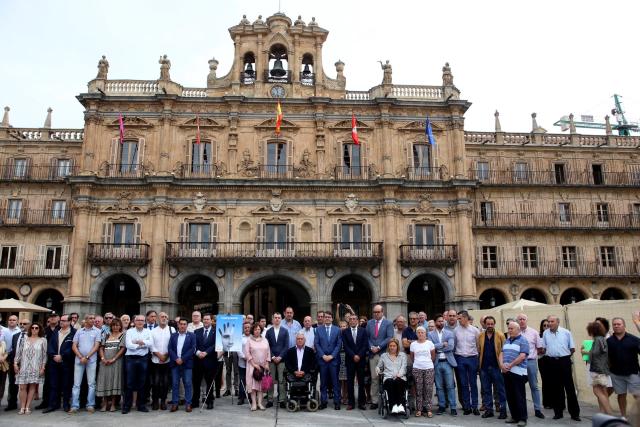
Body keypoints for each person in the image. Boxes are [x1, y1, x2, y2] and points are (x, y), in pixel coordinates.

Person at [541, 315, 580, 421]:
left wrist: (564, 356)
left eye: (552, 321)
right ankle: (558, 412)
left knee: (569, 388)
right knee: (555, 388)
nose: (549, 323)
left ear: (558, 322)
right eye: (548, 321)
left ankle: (575, 414)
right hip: (551, 362)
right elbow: (544, 348)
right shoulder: (545, 333)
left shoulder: (566, 332)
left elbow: (572, 348)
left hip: (564, 361)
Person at [607, 317, 640, 418]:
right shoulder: (609, 341)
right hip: (616, 374)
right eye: (614, 324)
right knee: (621, 395)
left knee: (637, 396)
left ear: (624, 326)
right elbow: (605, 357)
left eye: (619, 324)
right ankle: (623, 416)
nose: (616, 326)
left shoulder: (634, 340)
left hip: (632, 372)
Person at [500, 321, 529, 427]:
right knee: (510, 395)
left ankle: (522, 418)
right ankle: (514, 416)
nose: (509, 330)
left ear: (518, 330)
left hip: (518, 373)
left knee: (519, 396)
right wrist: (502, 365)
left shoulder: (523, 340)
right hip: (506, 372)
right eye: (509, 328)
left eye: (512, 328)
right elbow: (501, 353)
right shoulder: (507, 340)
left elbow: (522, 356)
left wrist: (510, 365)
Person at [69, 315, 101, 414]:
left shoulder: (97, 331)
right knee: (76, 384)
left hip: (91, 360)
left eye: (93, 318)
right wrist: (80, 357)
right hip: (79, 360)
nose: (93, 320)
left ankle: (90, 405)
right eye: (90, 318)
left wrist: (86, 357)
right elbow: (74, 345)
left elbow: (96, 346)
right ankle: (74, 406)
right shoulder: (79, 331)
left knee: (91, 383)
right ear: (86, 320)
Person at [515, 313, 545, 419]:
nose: (522, 321)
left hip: (531, 362)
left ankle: (537, 409)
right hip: (518, 363)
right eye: (520, 319)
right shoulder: (514, 333)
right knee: (519, 387)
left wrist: (532, 355)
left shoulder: (534, 332)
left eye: (523, 319)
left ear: (526, 320)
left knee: (534, 386)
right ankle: (521, 410)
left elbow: (539, 348)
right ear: (517, 321)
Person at [44, 314, 76, 413]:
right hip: (54, 362)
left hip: (66, 362)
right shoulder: (55, 332)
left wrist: (62, 356)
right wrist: (53, 355)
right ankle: (53, 404)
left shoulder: (74, 333)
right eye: (61, 320)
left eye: (64, 320)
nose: (61, 322)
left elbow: (73, 347)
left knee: (66, 384)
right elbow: (50, 345)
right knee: (53, 384)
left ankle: (66, 404)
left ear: (70, 321)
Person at [14, 321, 47, 414]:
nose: (34, 329)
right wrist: (15, 364)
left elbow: (44, 355)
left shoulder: (43, 340)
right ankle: (22, 407)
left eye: (37, 328)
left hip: (35, 367)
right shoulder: (24, 339)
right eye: (33, 328)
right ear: (30, 329)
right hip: (23, 367)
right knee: (22, 387)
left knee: (32, 387)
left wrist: (43, 367)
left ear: (39, 329)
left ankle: (27, 407)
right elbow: (19, 353)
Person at [122, 314, 152, 414]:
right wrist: (142, 344)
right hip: (131, 359)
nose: (140, 322)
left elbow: (151, 343)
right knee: (129, 383)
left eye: (142, 320)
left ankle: (141, 405)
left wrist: (138, 342)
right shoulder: (129, 331)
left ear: (145, 322)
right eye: (138, 320)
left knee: (142, 383)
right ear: (134, 321)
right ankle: (127, 405)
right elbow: (129, 345)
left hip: (143, 358)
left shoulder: (148, 331)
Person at [478, 316, 506, 419]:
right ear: (485, 324)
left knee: (500, 390)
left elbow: (504, 350)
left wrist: (503, 365)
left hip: (496, 367)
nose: (490, 326)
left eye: (491, 324)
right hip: (484, 367)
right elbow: (479, 350)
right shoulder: (480, 335)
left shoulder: (500, 335)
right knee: (486, 390)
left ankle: (503, 410)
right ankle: (489, 410)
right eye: (488, 324)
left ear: (494, 324)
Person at [429, 314, 457, 416]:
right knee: (439, 387)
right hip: (436, 363)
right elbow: (431, 347)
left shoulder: (449, 333)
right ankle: (441, 406)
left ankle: (453, 407)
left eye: (442, 321)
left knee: (450, 386)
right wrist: (442, 344)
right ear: (435, 322)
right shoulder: (430, 334)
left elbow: (450, 347)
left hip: (447, 362)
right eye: (439, 321)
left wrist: (438, 348)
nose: (441, 323)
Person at [366, 304, 393, 409]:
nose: (376, 314)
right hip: (373, 354)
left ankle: (387, 399)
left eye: (378, 312)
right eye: (374, 312)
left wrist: (379, 346)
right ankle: (375, 401)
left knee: (386, 377)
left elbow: (389, 337)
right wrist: (371, 347)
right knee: (374, 378)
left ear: (382, 312)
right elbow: (367, 337)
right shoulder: (369, 323)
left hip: (384, 354)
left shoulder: (388, 323)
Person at [96, 317, 125, 411]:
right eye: (113, 325)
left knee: (114, 381)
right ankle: (104, 403)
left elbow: (122, 349)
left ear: (120, 326)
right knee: (104, 380)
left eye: (117, 325)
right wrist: (103, 358)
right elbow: (101, 347)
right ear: (111, 326)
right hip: (105, 361)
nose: (115, 327)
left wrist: (114, 358)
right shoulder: (107, 335)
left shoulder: (122, 335)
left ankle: (112, 404)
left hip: (116, 361)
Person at [454, 310, 480, 415]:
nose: (458, 320)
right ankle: (467, 406)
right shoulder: (456, 330)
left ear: (465, 318)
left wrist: (477, 358)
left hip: (472, 358)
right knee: (463, 383)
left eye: (460, 318)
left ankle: (475, 406)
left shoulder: (475, 330)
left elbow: (478, 345)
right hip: (460, 357)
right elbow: (455, 344)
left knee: (473, 383)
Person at [315, 311, 342, 410]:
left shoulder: (337, 330)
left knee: (335, 382)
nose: (327, 318)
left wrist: (332, 356)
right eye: (325, 317)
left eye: (329, 317)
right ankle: (323, 401)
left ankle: (337, 402)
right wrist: (323, 355)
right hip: (323, 360)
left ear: (332, 318)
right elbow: (317, 344)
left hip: (333, 360)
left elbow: (339, 344)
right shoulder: (318, 330)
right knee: (323, 382)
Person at [168, 317, 196, 412]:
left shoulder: (192, 336)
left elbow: (192, 349)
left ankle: (188, 404)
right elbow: (170, 349)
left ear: (187, 326)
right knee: (175, 384)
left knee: (188, 383)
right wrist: (176, 359)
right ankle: (175, 403)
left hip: (187, 363)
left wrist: (182, 359)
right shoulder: (173, 336)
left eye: (185, 324)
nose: (183, 326)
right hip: (175, 363)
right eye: (181, 324)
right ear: (178, 325)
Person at [586, 321, 613, 415]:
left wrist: (587, 352)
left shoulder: (597, 340)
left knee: (597, 391)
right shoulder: (603, 339)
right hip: (604, 368)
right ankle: (604, 412)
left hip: (596, 368)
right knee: (603, 390)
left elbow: (594, 354)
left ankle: (609, 413)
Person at [342, 312, 367, 410]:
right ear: (349, 321)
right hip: (350, 359)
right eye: (351, 319)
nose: (352, 320)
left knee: (361, 382)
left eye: (354, 319)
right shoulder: (345, 332)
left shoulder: (363, 331)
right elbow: (346, 346)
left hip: (361, 360)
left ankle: (362, 402)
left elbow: (365, 345)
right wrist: (353, 355)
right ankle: (351, 403)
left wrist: (359, 355)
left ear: (357, 321)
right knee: (350, 382)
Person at [376, 338, 407, 414]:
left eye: (394, 346)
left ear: (397, 347)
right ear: (388, 346)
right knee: (390, 382)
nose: (392, 347)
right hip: (388, 377)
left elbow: (404, 367)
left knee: (398, 381)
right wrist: (377, 369)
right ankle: (393, 406)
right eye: (390, 346)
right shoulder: (384, 356)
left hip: (400, 377)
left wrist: (399, 374)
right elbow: (379, 366)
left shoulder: (402, 355)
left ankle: (400, 405)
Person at [150, 312, 174, 410]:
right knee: (155, 382)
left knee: (165, 383)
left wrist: (166, 356)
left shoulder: (172, 330)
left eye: (166, 317)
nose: (164, 318)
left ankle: (163, 401)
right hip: (155, 361)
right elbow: (151, 345)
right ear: (158, 319)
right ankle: (155, 401)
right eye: (162, 317)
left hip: (167, 360)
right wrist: (159, 356)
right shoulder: (153, 331)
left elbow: (173, 344)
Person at [192, 313, 216, 409]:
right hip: (198, 361)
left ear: (211, 321)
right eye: (204, 319)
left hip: (210, 361)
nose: (206, 321)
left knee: (210, 382)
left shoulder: (216, 332)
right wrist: (198, 353)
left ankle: (209, 401)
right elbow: (193, 345)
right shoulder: (196, 331)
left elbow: (215, 345)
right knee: (196, 382)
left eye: (208, 319)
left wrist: (206, 352)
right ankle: (195, 401)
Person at [410, 326, 436, 417]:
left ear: (425, 333)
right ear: (416, 334)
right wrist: (418, 363)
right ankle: (419, 409)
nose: (420, 334)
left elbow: (433, 356)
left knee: (428, 389)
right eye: (419, 332)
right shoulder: (413, 344)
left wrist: (426, 363)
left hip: (429, 368)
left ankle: (428, 409)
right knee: (418, 389)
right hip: (417, 368)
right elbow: (412, 357)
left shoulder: (430, 343)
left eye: (422, 332)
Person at [265, 311, 289, 408]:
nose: (277, 319)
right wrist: (273, 356)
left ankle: (282, 399)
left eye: (279, 317)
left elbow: (286, 346)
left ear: (281, 319)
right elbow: (267, 345)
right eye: (275, 317)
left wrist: (280, 357)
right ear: (272, 319)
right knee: (270, 379)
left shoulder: (285, 331)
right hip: (271, 359)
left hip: (281, 360)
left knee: (281, 380)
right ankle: (270, 399)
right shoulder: (268, 331)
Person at [36, 313, 59, 411]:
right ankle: (45, 401)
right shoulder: (45, 330)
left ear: (58, 318)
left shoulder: (60, 329)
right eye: (51, 317)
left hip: (57, 359)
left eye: (55, 317)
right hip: (46, 359)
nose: (52, 318)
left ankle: (54, 402)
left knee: (55, 382)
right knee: (46, 383)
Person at [245, 323, 270, 411]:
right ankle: (254, 404)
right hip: (252, 366)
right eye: (255, 329)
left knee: (260, 387)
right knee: (253, 387)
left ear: (261, 330)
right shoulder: (249, 340)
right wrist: (254, 364)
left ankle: (260, 403)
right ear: (253, 330)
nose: (257, 331)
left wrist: (267, 363)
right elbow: (247, 353)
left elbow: (268, 352)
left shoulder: (265, 340)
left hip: (263, 366)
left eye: (259, 329)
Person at [4, 315, 22, 411]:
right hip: (2, 358)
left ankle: (12, 403)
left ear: (17, 321)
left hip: (14, 359)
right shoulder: (3, 330)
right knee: (2, 382)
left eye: (14, 320)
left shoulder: (20, 332)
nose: (11, 321)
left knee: (12, 383)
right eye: (10, 319)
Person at [538, 318, 551, 409]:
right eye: (544, 325)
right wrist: (542, 350)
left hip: (552, 359)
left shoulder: (553, 335)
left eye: (547, 325)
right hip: (542, 360)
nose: (546, 327)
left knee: (553, 381)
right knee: (545, 381)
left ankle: (555, 401)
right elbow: (537, 350)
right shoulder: (539, 336)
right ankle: (546, 402)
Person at [237, 322, 251, 405]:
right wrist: (244, 357)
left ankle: (250, 396)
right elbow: (238, 350)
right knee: (242, 380)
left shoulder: (253, 337)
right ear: (243, 328)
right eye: (245, 327)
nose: (247, 329)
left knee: (250, 381)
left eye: (248, 327)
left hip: (251, 363)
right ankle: (241, 397)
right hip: (242, 362)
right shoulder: (240, 337)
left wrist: (250, 358)